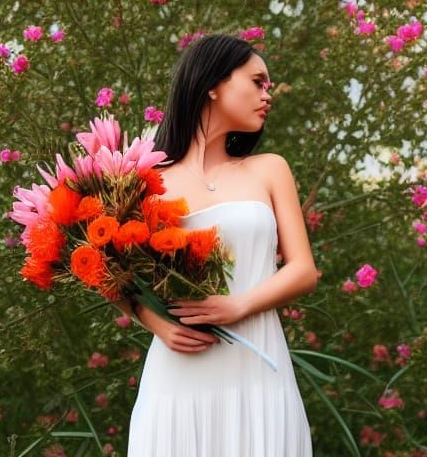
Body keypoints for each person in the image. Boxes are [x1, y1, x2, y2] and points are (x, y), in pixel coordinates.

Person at [123, 34, 316, 455]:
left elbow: (303, 270)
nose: (268, 95)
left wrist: (239, 305)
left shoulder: (269, 170)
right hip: (179, 377)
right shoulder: (144, 180)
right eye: (258, 81)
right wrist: (153, 321)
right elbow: (109, 273)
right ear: (213, 83)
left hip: (260, 374)